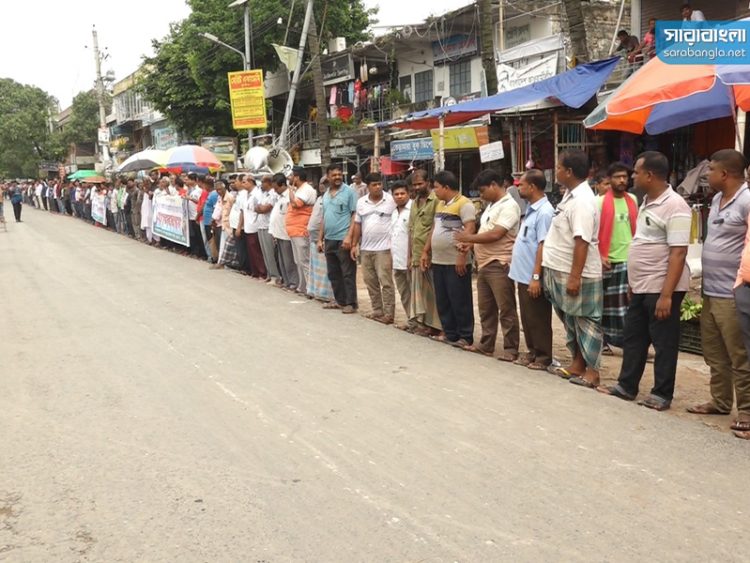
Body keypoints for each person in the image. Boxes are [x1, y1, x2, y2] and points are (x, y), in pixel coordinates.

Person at [599, 152, 691, 411]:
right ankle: (626, 385)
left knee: (663, 342)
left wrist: (666, 295)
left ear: (650, 175)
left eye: (636, 172)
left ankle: (661, 393)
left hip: (661, 286)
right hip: (641, 285)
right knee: (634, 337)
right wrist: (632, 281)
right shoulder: (645, 201)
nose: (632, 177)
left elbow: (679, 252)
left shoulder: (676, 206)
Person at [688, 150, 750, 435]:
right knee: (714, 352)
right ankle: (721, 400)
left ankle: (747, 411)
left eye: (711, 169)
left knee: (739, 355)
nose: (707, 173)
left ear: (724, 174)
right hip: (710, 289)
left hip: (732, 291)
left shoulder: (747, 201)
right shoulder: (715, 199)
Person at [543, 149, 604, 388]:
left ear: (569, 171)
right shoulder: (569, 196)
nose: (556, 171)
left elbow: (582, 240)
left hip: (579, 272)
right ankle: (578, 363)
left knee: (586, 322)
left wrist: (574, 276)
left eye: (558, 167)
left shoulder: (583, 201)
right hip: (560, 267)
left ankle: (592, 371)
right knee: (572, 321)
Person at [454, 169, 521, 360]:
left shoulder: (509, 206)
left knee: (505, 307)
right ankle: (487, 343)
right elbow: (487, 231)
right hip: (484, 263)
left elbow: (496, 234)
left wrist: (469, 237)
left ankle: (510, 348)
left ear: (493, 185)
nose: (481, 196)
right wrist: (470, 244)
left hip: (499, 262)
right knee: (486, 307)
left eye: (482, 191)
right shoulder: (492, 206)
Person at [423, 170, 477, 347]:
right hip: (439, 260)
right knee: (443, 298)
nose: (434, 191)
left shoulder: (464, 204)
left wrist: (462, 255)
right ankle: (450, 333)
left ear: (446, 187)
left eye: (437, 187)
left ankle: (465, 335)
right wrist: (426, 251)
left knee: (460, 298)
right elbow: (434, 228)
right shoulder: (440, 204)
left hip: (456, 260)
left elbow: (470, 230)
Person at [509, 169, 555, 370]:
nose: (518, 188)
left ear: (533, 187)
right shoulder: (531, 208)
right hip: (522, 273)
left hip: (532, 274)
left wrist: (536, 276)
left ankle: (543, 356)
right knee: (528, 316)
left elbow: (542, 245)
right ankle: (533, 351)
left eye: (521, 185)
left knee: (538, 317)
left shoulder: (545, 212)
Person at [597, 162, 638, 354]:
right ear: (609, 179)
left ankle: (627, 343)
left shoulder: (633, 200)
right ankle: (604, 341)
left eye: (624, 177)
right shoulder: (599, 203)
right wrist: (599, 254)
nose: (622, 180)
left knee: (624, 305)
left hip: (628, 259)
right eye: (617, 177)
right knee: (604, 304)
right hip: (607, 260)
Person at [351, 172, 397, 324]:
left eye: (379, 184)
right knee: (370, 281)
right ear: (368, 186)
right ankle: (377, 310)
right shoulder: (361, 202)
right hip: (366, 248)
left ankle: (389, 314)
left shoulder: (390, 200)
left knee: (386, 281)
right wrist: (354, 244)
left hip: (384, 249)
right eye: (374, 185)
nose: (377, 187)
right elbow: (357, 224)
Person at [318, 163, 358, 314]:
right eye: (334, 175)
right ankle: (340, 300)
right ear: (328, 177)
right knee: (333, 273)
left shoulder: (349, 192)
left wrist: (349, 237)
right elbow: (324, 217)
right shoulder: (326, 195)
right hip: (329, 239)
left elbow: (355, 215)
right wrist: (319, 239)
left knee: (347, 272)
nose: (337, 177)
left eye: (339, 175)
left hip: (343, 239)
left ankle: (351, 303)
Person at [408, 170, 442, 336]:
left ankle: (437, 326)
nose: (417, 187)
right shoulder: (414, 201)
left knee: (433, 291)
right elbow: (412, 229)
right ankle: (425, 323)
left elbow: (434, 228)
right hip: (415, 253)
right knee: (421, 291)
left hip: (429, 254)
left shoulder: (436, 200)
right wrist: (410, 255)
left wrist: (426, 252)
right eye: (414, 184)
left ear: (428, 182)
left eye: (420, 184)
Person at [287, 167, 317, 294]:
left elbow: (295, 204)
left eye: (291, 176)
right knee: (298, 260)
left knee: (304, 261)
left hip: (301, 229)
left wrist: (290, 191)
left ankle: (310, 289)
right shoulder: (300, 189)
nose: (289, 178)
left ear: (297, 177)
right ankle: (303, 287)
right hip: (294, 230)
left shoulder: (306, 189)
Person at [389, 181, 414, 328]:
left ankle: (418, 322)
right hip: (397, 260)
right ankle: (411, 321)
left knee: (415, 294)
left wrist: (411, 257)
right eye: (396, 194)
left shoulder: (413, 210)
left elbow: (413, 235)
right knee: (404, 293)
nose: (399, 196)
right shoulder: (394, 213)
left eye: (402, 193)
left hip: (410, 260)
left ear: (408, 194)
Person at [307, 176, 334, 302]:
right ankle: (315, 291)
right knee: (316, 269)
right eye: (321, 183)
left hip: (324, 238)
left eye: (326, 183)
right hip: (314, 237)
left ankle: (327, 295)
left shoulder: (331, 199)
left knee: (325, 268)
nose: (323, 185)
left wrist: (321, 238)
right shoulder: (320, 198)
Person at [270, 173, 298, 290]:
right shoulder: (279, 197)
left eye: (276, 188)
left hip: (286, 233)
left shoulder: (289, 196)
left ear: (282, 185)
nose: (275, 190)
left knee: (289, 261)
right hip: (278, 233)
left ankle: (293, 283)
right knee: (282, 260)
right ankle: (286, 281)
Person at [255, 175, 282, 283]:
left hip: (268, 226)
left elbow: (265, 209)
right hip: (261, 225)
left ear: (269, 183)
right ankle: (269, 274)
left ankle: (276, 276)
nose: (261, 184)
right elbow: (256, 207)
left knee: (270, 252)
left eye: (263, 182)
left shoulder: (273, 194)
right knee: (265, 252)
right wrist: (259, 208)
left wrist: (260, 208)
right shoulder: (264, 194)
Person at [241, 176, 268, 279]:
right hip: (248, 225)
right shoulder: (245, 194)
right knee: (251, 251)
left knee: (257, 251)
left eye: (244, 182)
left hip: (255, 225)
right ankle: (255, 272)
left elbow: (259, 209)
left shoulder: (257, 194)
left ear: (251, 182)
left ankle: (262, 273)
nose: (243, 184)